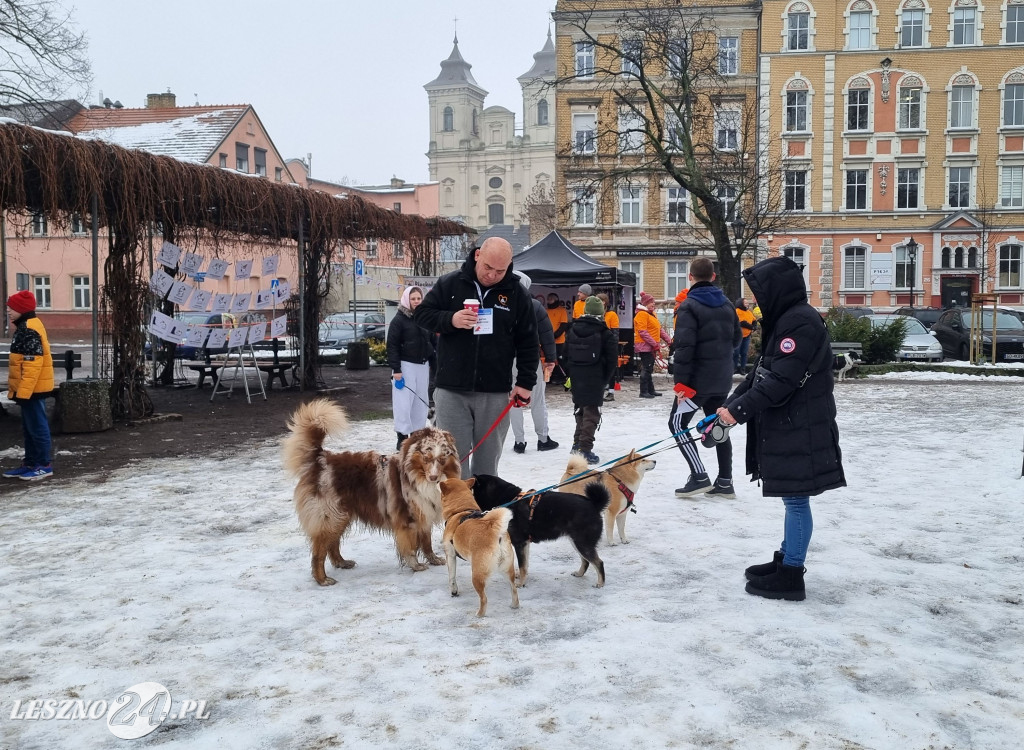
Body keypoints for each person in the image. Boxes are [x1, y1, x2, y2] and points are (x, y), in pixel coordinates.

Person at [715, 255, 846, 601]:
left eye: (760, 295)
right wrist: (729, 406)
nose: (756, 303)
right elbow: (762, 373)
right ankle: (785, 560)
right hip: (791, 424)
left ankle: (791, 574)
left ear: (777, 290)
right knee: (793, 498)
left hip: (800, 425)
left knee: (797, 500)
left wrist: (737, 412)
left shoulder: (800, 322)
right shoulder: (787, 319)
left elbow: (782, 381)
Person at [414, 237, 538, 479]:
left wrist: (525, 383)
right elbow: (422, 315)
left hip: (494, 392)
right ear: (478, 255)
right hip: (452, 390)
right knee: (453, 465)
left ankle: (484, 514)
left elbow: (529, 341)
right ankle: (459, 516)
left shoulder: (516, 293)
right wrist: (451, 319)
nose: (492, 275)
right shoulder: (450, 283)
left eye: (500, 270)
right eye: (488, 267)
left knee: (487, 466)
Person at [669, 257, 742, 498]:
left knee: (677, 424)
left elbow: (684, 347)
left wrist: (680, 384)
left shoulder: (689, 305)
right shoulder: (728, 305)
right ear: (713, 277)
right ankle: (725, 481)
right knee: (720, 426)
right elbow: (737, 339)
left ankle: (699, 475)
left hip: (696, 382)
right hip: (721, 377)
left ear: (690, 277)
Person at [3, 291, 55, 481]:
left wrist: (23, 392)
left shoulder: (29, 329)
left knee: (37, 426)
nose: (8, 310)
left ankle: (43, 464)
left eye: (12, 307)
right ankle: (31, 462)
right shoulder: (26, 326)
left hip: (32, 389)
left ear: (22, 309)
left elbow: (33, 364)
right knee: (29, 426)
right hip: (29, 389)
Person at [510, 271, 559, 454]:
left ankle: (519, 442)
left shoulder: (502, 305)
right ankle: (543, 438)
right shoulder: (535, 306)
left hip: (508, 360)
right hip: (530, 359)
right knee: (538, 400)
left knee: (514, 402)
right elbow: (547, 335)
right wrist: (551, 359)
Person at [565, 296, 617, 464]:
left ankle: (576, 443)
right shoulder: (605, 333)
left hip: (576, 375)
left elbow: (565, 354)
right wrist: (605, 379)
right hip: (595, 376)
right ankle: (585, 449)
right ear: (601, 313)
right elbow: (612, 360)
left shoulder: (572, 329)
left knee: (580, 409)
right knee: (592, 414)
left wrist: (571, 372)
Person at [387, 285, 434, 450]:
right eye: (413, 298)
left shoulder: (424, 318)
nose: (416, 301)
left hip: (422, 366)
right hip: (405, 367)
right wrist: (396, 369)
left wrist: (434, 363)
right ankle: (402, 436)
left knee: (420, 403)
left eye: (418, 298)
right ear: (407, 299)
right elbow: (392, 345)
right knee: (403, 403)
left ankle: (417, 434)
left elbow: (431, 342)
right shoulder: (399, 320)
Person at [633, 291, 671, 398]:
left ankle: (650, 389)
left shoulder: (652, 314)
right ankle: (643, 391)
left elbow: (659, 329)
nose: (653, 304)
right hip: (644, 346)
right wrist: (654, 344)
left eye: (653, 302)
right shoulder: (641, 314)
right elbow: (643, 332)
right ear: (645, 304)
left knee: (649, 368)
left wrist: (668, 340)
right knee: (647, 368)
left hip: (651, 345)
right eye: (651, 302)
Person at [597, 292, 619, 401]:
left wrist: (613, 346)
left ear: (604, 302)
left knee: (611, 368)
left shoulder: (611, 315)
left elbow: (615, 332)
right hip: (598, 345)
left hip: (608, 344)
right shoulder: (597, 314)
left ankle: (611, 392)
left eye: (599, 300)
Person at [546, 292, 570, 385]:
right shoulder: (546, 311)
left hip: (559, 341)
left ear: (555, 300)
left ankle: (561, 377)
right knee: (549, 360)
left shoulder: (562, 310)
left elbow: (563, 325)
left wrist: (554, 335)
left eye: (550, 299)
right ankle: (550, 377)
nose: (549, 301)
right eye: (548, 299)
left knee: (560, 360)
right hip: (548, 341)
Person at [734, 297, 757, 373]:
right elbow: (742, 323)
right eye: (746, 303)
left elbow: (754, 320)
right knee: (736, 353)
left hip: (747, 336)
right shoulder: (737, 311)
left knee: (744, 353)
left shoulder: (749, 312)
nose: (747, 304)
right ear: (741, 303)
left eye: (747, 302)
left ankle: (743, 368)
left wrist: (754, 326)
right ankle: (734, 368)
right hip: (738, 336)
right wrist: (752, 327)